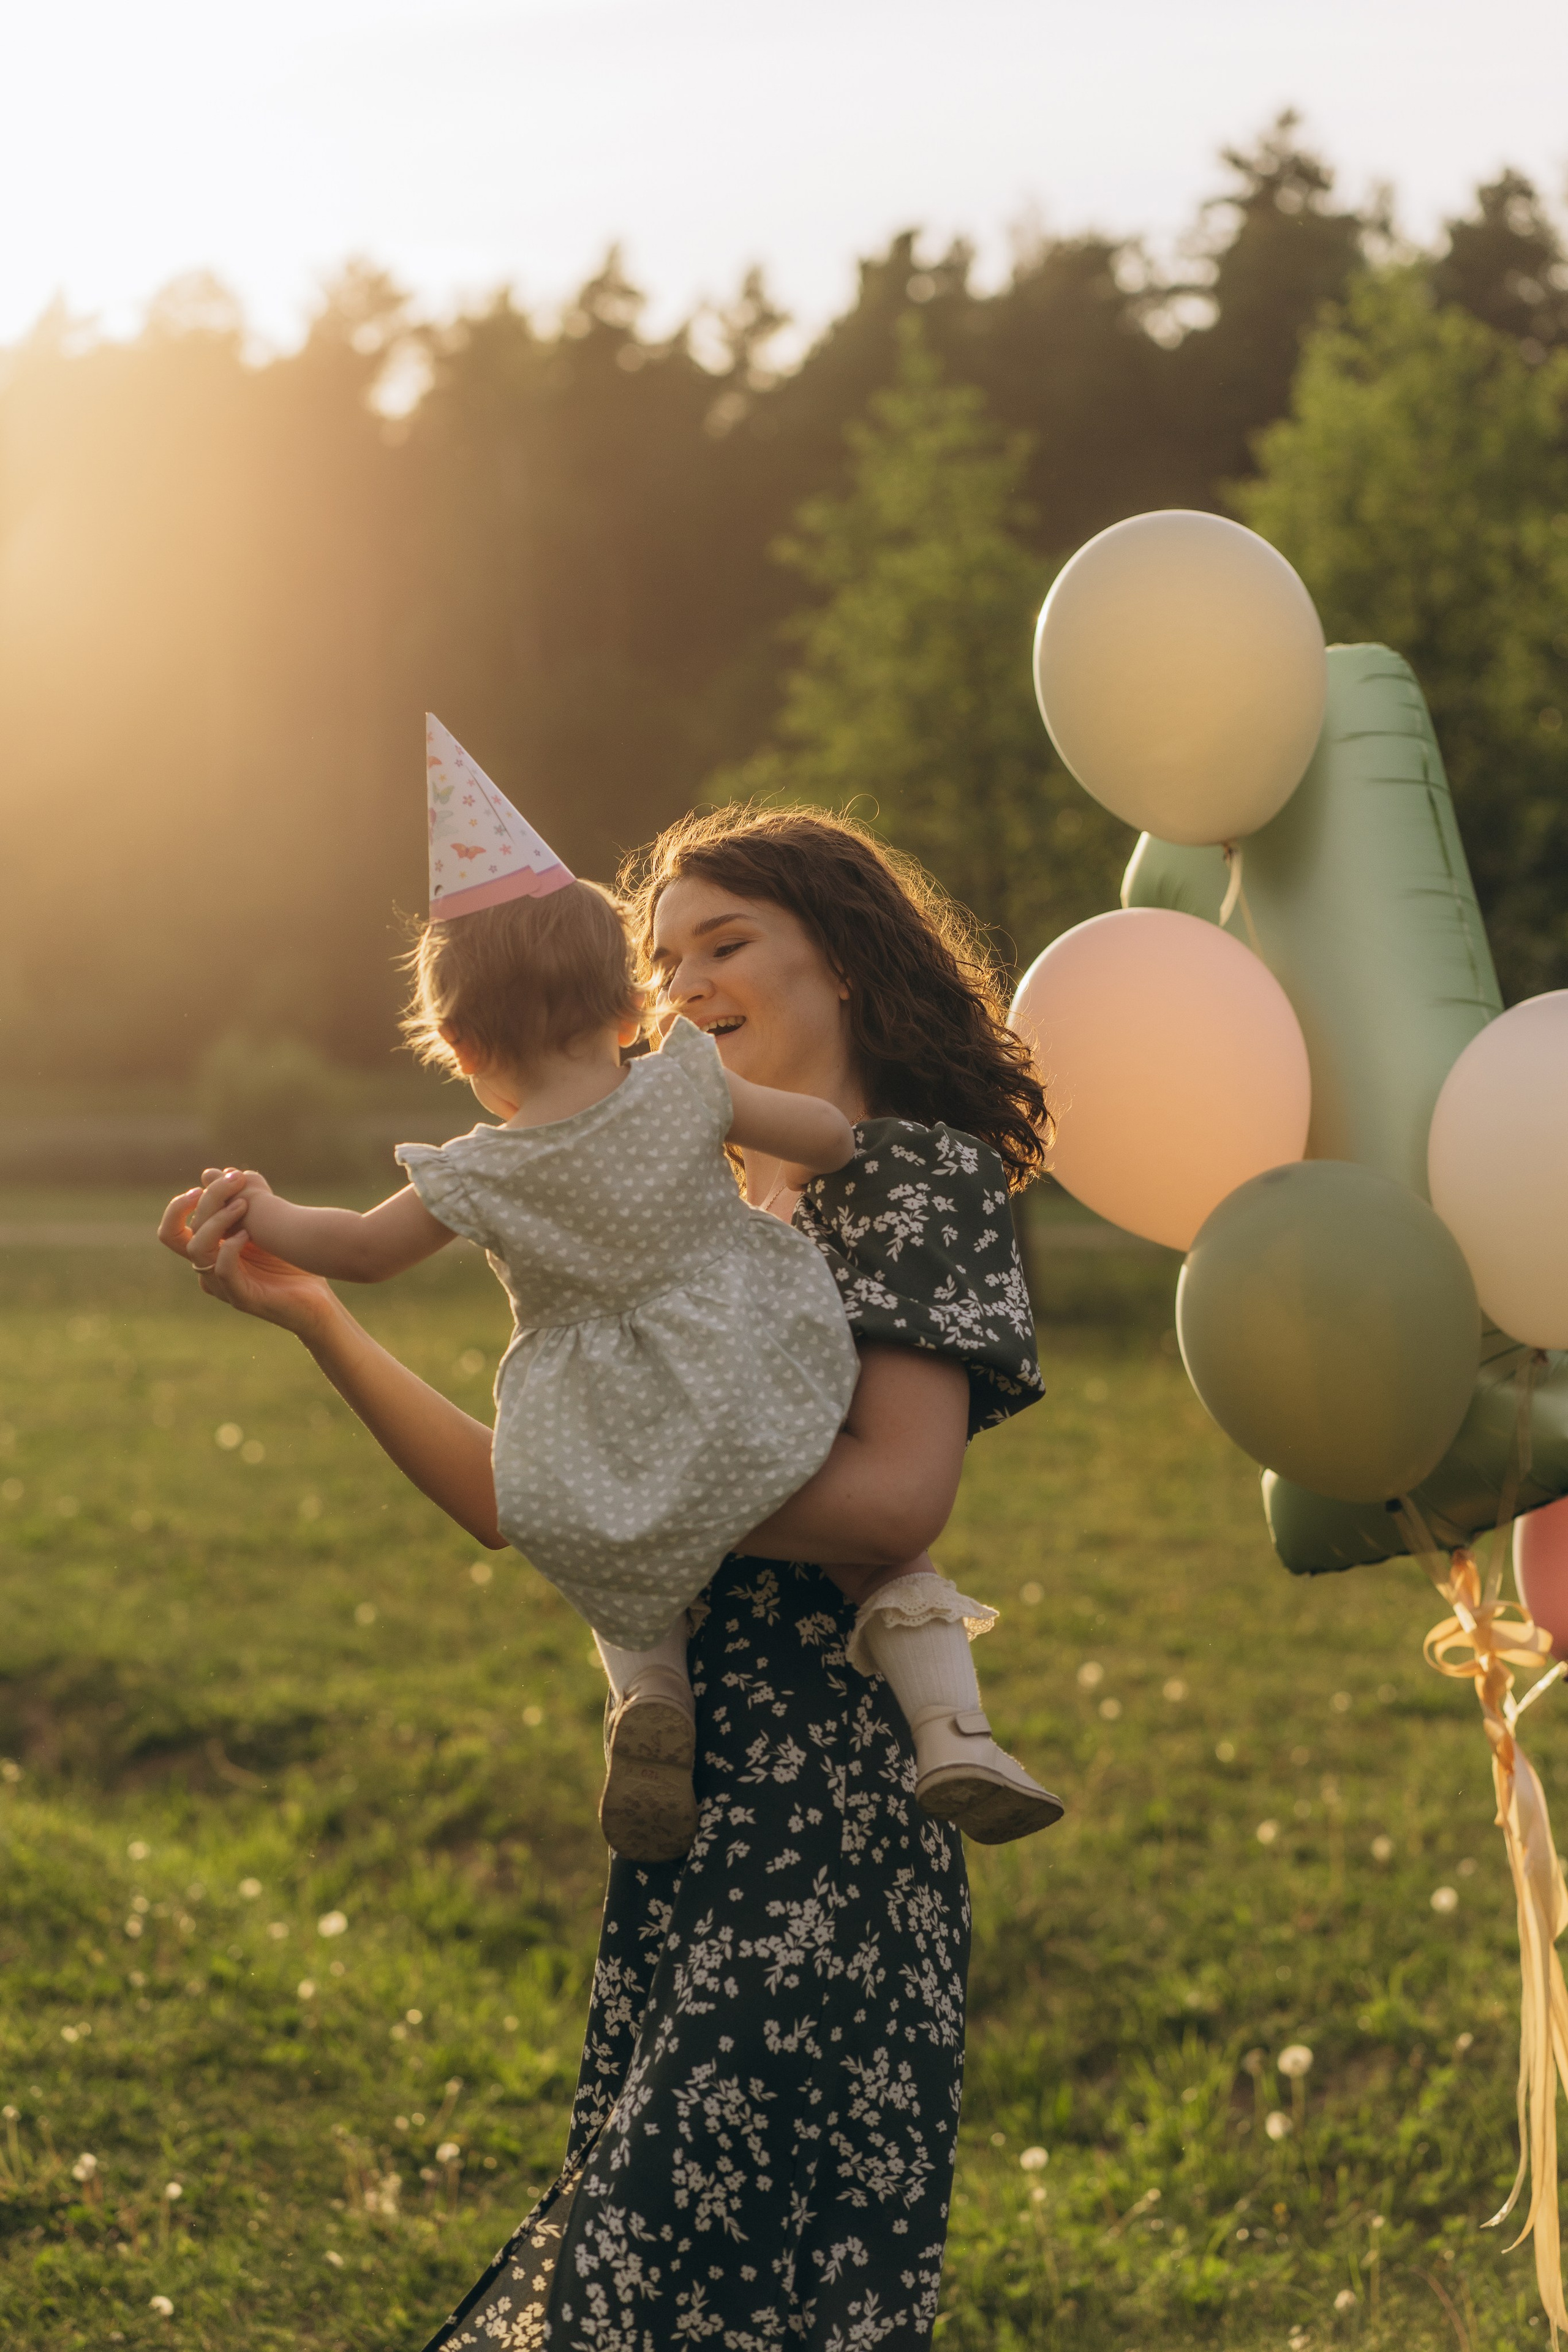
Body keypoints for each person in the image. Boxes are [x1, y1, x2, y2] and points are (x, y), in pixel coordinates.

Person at [161, 804, 1055, 2350]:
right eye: (663, 956)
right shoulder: (687, 1179)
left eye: (727, 942)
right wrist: (319, 1315)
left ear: (838, 954)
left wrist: (632, 1491)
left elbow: (896, 1496)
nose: (686, 981)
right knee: (651, 2249)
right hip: (691, 1805)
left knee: (710, 2257)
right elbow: (520, 1506)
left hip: (835, 1810)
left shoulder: (914, 1179)